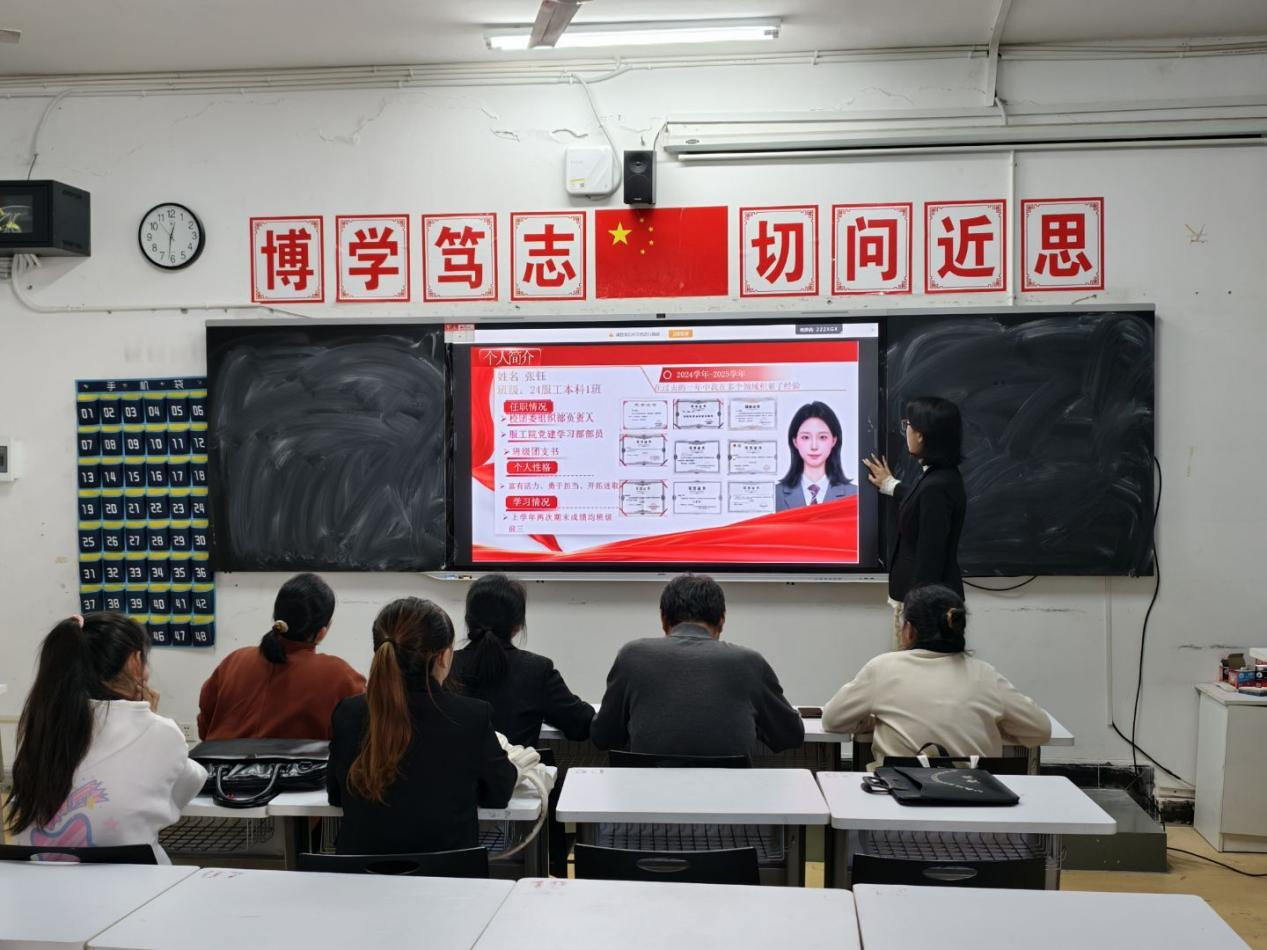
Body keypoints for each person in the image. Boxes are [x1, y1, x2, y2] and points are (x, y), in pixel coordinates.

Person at [5, 613, 207, 860]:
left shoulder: (44, 725)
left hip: (37, 878)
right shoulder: (160, 732)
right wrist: (150, 719)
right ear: (135, 662)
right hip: (131, 879)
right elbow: (188, 785)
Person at [327, 597, 518, 854]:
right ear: (444, 656)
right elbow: (499, 794)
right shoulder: (471, 716)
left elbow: (336, 795)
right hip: (449, 875)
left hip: (358, 874)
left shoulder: (348, 713)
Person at [821, 585, 1051, 766]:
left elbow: (832, 720)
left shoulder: (883, 668)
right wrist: (991, 724)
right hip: (975, 803)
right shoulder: (985, 674)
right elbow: (1040, 731)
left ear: (908, 630)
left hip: (899, 802)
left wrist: (873, 722)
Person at [590, 574, 804, 757]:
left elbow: (604, 737)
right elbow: (790, 736)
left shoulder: (632, 656)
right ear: (722, 620)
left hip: (650, 792)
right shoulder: (749, 662)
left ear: (663, 619)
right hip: (730, 793)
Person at [197, 573, 364, 741]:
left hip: (216, 758)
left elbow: (205, 727)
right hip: (308, 761)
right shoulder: (341, 677)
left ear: (277, 620)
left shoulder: (233, 662)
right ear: (322, 632)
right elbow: (360, 738)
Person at [862, 396, 967, 642]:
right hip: (927, 602)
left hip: (927, 611)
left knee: (918, 663)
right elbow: (922, 502)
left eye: (907, 424)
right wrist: (892, 485)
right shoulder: (939, 477)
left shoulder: (937, 485)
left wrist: (916, 615)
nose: (905, 431)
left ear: (921, 435)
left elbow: (931, 554)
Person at [452, 573, 593, 748]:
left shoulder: (443, 668)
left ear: (468, 619)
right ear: (518, 625)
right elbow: (579, 724)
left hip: (449, 767)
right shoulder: (537, 670)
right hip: (516, 766)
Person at [775, 401, 858, 511]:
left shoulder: (854, 495)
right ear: (795, 442)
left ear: (834, 441)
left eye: (822, 437)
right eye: (806, 437)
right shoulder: (775, 495)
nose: (814, 446)